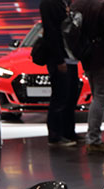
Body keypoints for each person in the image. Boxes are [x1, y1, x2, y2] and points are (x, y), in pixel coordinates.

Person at [73, 0, 104, 155]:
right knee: (100, 98)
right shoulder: (102, 5)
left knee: (97, 97)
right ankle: (94, 140)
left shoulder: (77, 5)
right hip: (103, 58)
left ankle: (92, 138)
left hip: (87, 58)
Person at [40, 0, 80, 147]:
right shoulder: (49, 4)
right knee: (60, 96)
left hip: (70, 57)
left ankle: (69, 132)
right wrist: (59, 60)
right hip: (59, 57)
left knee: (71, 96)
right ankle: (55, 135)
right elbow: (51, 33)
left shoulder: (64, 3)